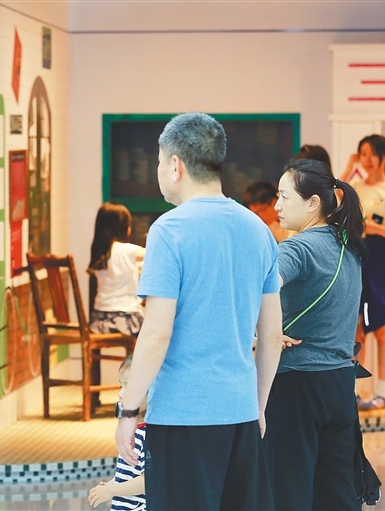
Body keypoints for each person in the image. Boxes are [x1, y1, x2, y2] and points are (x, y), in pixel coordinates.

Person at [115, 112, 282, 510]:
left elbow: (157, 333)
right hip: (241, 415)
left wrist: (129, 410)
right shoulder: (258, 230)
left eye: (159, 161)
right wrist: (258, 406)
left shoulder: (168, 230)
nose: (159, 170)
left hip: (182, 418)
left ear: (176, 165)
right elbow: (272, 336)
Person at [265, 158, 366, 510]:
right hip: (340, 385)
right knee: (337, 495)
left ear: (312, 203)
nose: (276, 206)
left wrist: (262, 333)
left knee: (288, 493)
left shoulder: (297, 248)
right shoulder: (348, 247)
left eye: (283, 197)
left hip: (297, 385)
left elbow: (259, 288)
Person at [342, 135, 385, 410]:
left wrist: (377, 229)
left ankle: (382, 392)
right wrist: (348, 170)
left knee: (383, 327)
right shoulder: (355, 187)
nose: (367, 159)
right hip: (357, 258)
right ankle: (353, 391)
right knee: (356, 328)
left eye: (372, 154)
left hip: (381, 261)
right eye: (363, 154)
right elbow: (332, 200)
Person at [88, 354, 147, 510]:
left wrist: (112, 491)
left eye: (128, 387)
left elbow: (148, 481)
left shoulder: (149, 435)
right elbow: (130, 475)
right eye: (121, 385)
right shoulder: (135, 431)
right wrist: (110, 486)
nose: (120, 393)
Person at [87, 202, 146, 336]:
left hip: (99, 321)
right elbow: (155, 255)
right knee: (159, 329)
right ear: (125, 228)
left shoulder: (99, 254)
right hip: (126, 320)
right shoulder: (128, 250)